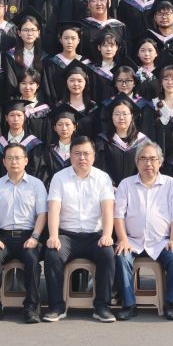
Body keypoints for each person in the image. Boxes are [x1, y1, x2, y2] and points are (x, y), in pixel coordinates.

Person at [45, 136, 118, 322]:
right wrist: (53, 236)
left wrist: (107, 235)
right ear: (70, 155)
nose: (82, 158)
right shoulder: (59, 178)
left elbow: (108, 209)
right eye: (77, 153)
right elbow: (54, 209)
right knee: (52, 254)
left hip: (95, 235)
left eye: (86, 153)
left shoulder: (102, 178)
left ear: (94, 156)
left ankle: (102, 307)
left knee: (107, 254)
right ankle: (56, 307)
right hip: (67, 236)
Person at [0, 143, 50, 323]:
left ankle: (31, 307)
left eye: (18, 158)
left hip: (28, 236)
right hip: (3, 237)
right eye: (10, 158)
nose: (14, 162)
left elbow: (42, 214)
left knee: (32, 259)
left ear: (26, 160)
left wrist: (35, 237)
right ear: (4, 161)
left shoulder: (36, 184)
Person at [115, 142, 173, 320]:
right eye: (144, 159)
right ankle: (129, 304)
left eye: (153, 159)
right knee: (121, 257)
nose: (148, 163)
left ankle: (170, 303)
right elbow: (118, 216)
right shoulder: (126, 184)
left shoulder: (170, 184)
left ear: (160, 162)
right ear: (136, 162)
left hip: (162, 241)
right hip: (132, 240)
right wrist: (123, 239)